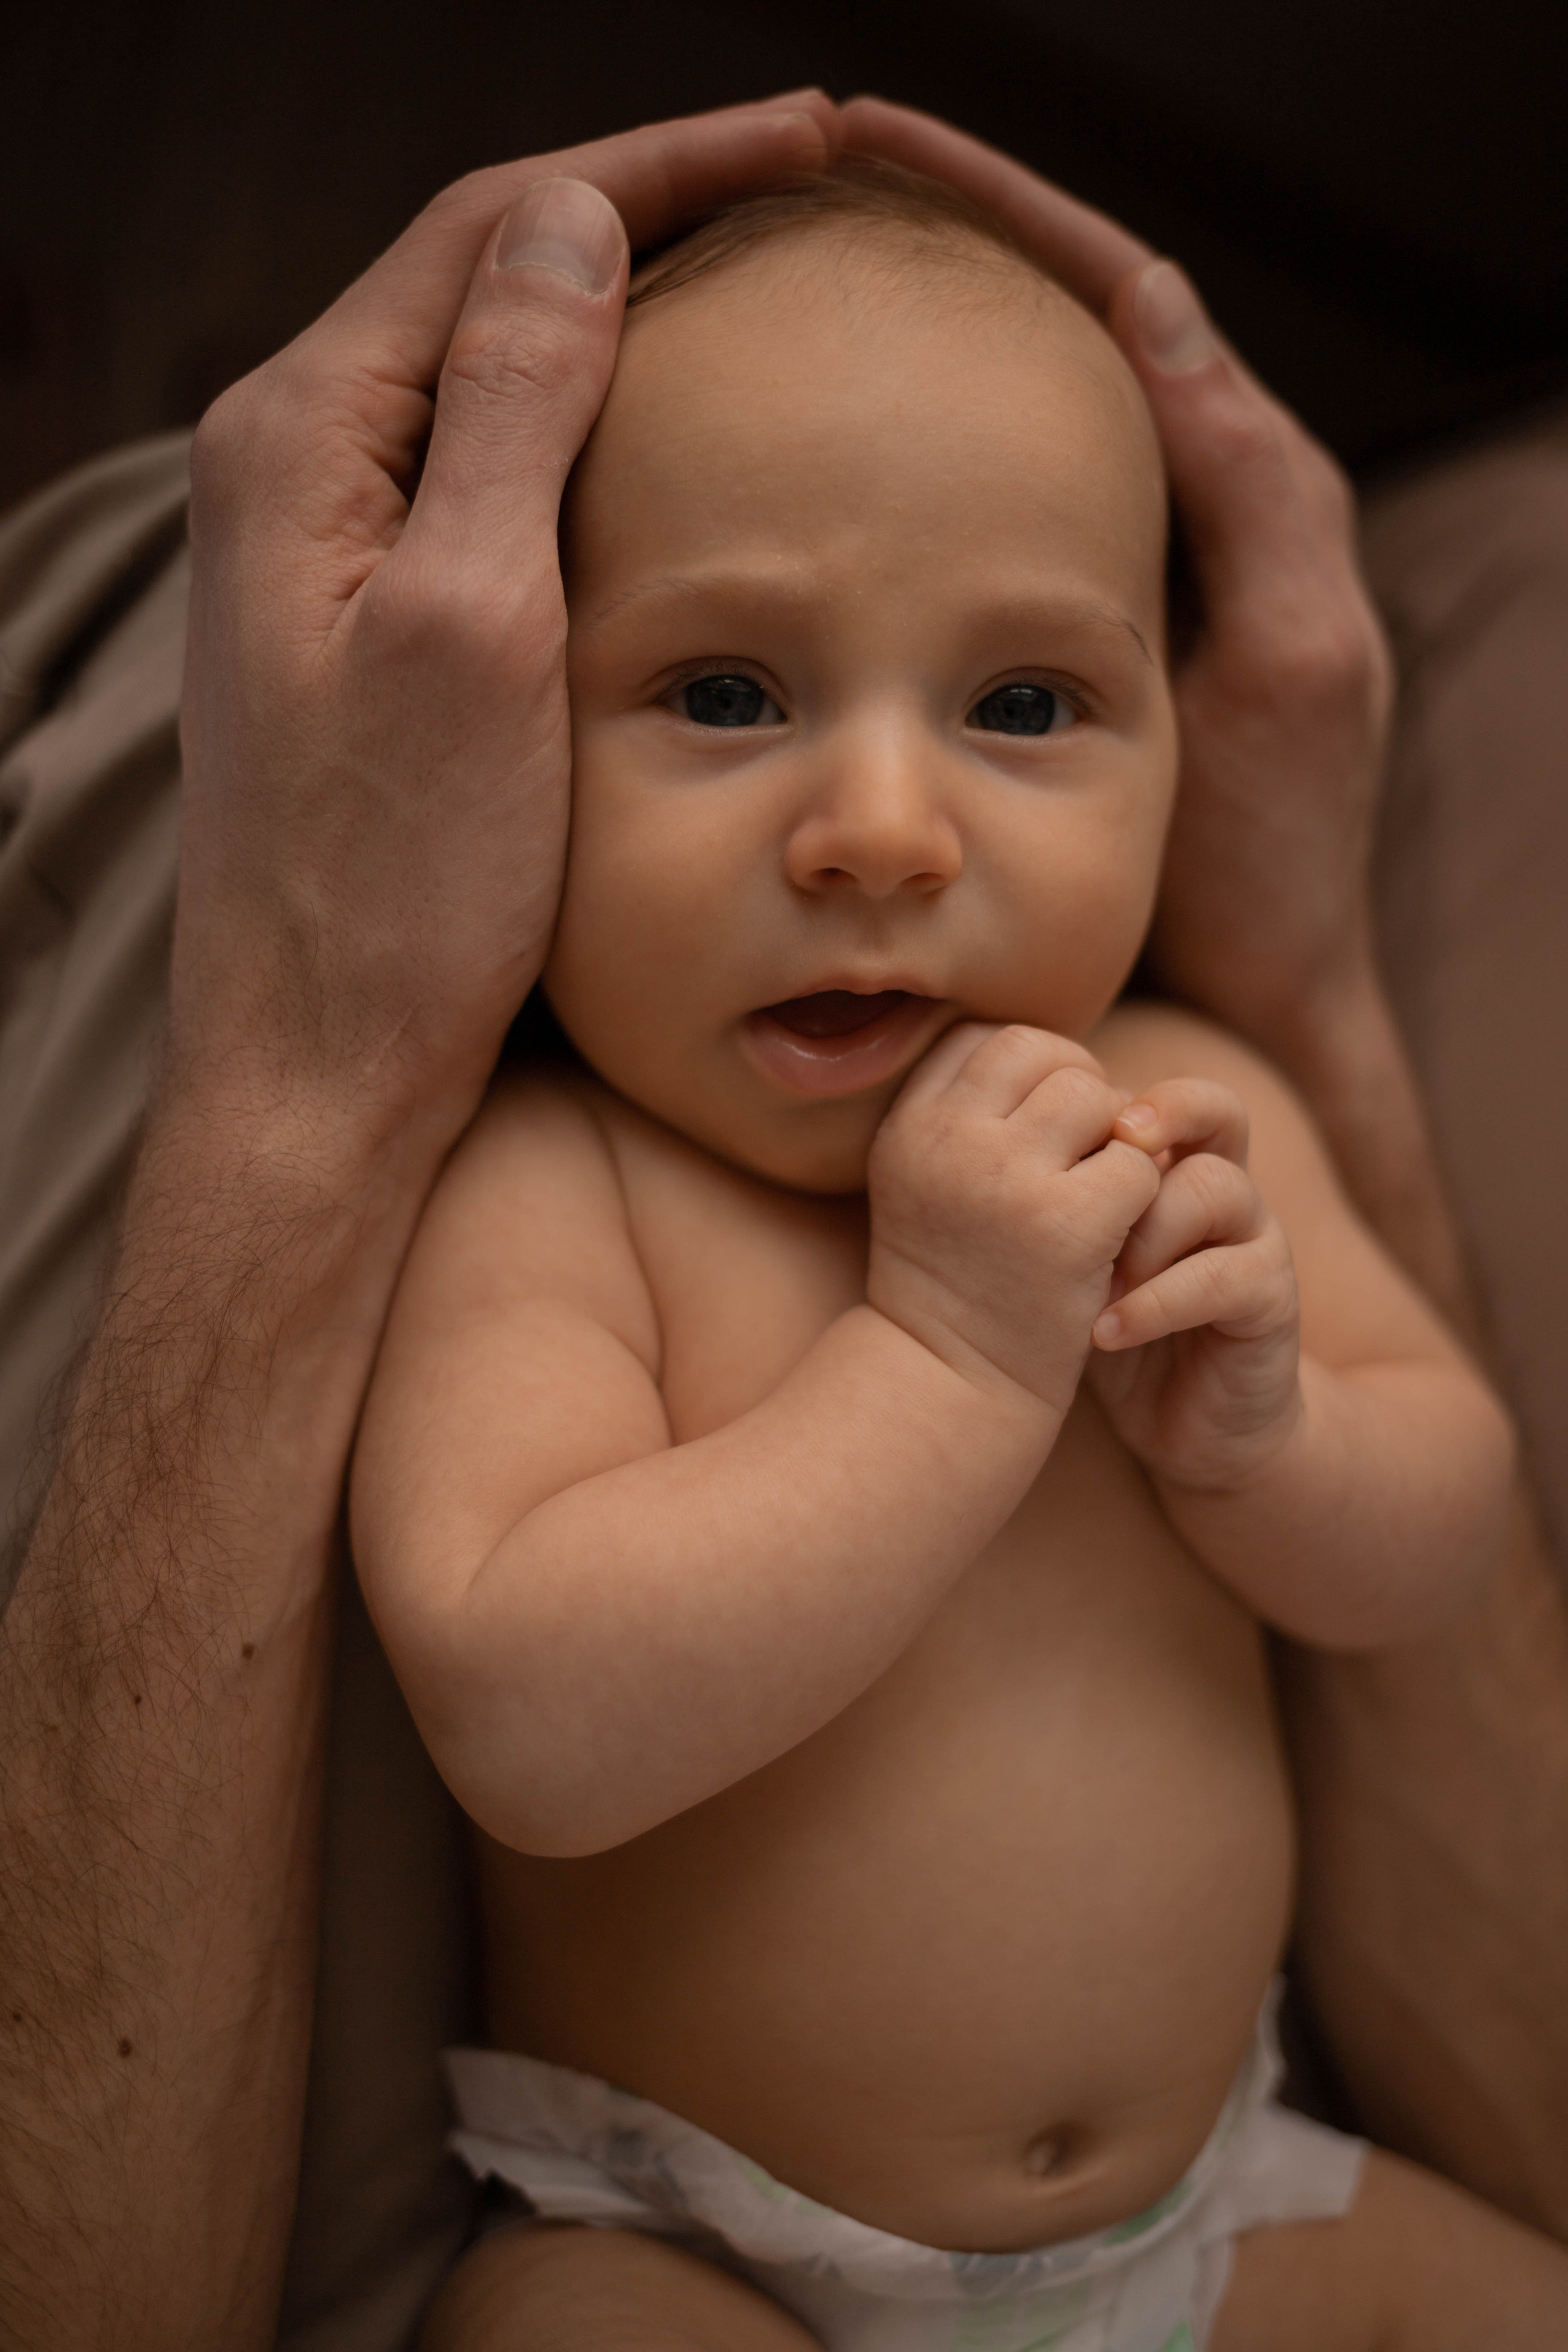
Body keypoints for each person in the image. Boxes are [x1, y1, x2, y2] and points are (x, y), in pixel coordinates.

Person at [0, 90, 1565, 2352]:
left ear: (1177, 739)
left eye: (1027, 703)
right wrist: (940, 1363)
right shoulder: (563, 1187)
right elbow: (532, 1711)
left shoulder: (1185, 1111)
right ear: (518, 735)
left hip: (1229, 2222)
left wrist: (1274, 1436)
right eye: (724, 694)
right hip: (694, 2250)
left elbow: (1439, 1530)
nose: (881, 830)